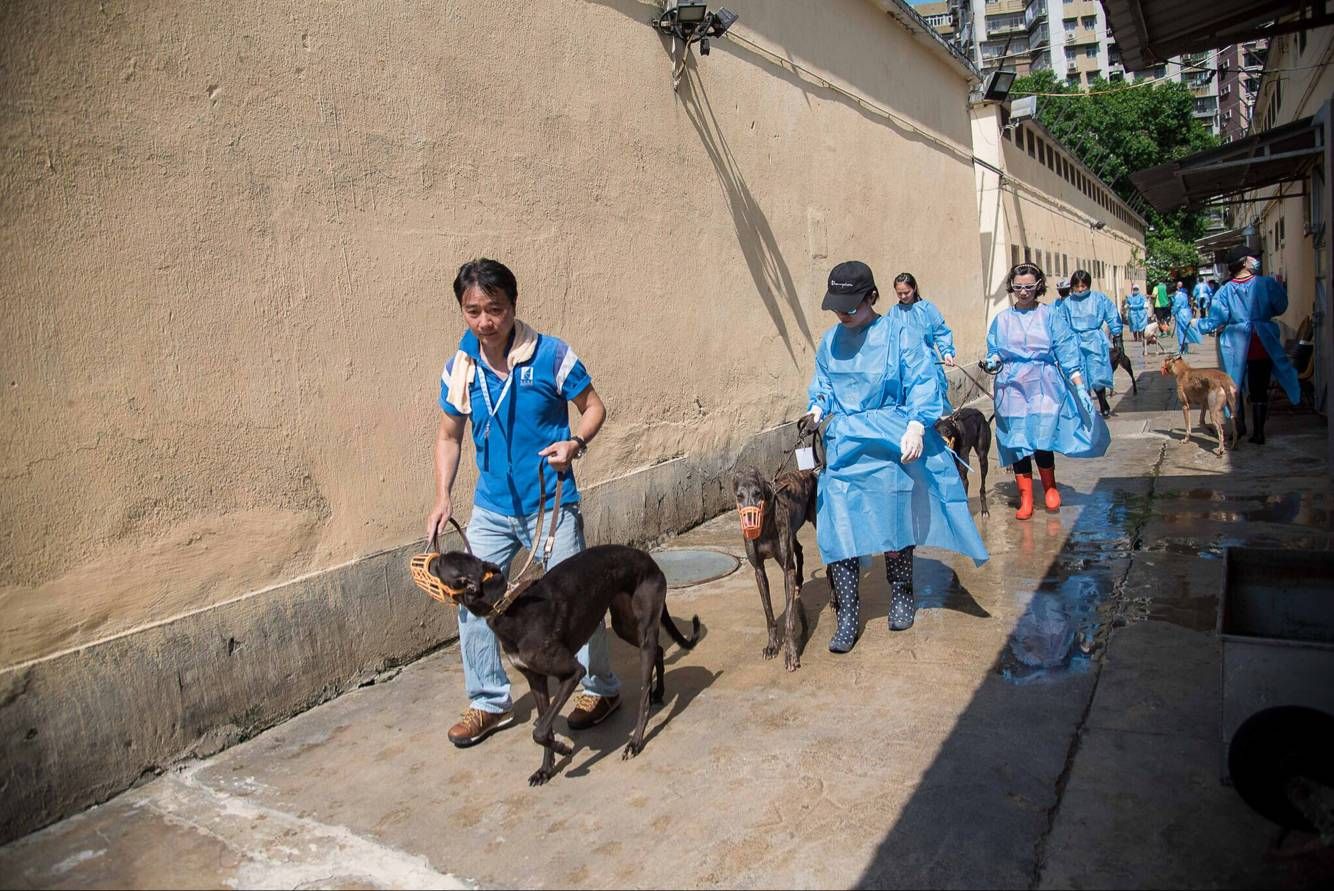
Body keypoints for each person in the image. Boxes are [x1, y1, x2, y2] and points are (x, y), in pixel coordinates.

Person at [427, 258, 621, 747]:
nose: (485, 322)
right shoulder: (460, 368)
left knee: (581, 600)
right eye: (473, 311)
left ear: (513, 305)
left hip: (549, 507)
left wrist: (575, 443)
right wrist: (443, 495)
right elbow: (449, 436)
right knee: (472, 607)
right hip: (491, 509)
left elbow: (594, 407)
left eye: (495, 308)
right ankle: (487, 702)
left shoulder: (552, 355)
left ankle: (600, 688)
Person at [801, 261, 987, 653]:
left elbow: (922, 381)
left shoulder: (898, 335)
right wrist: (818, 408)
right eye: (837, 307)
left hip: (891, 442)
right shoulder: (830, 342)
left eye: (850, 307)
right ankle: (848, 612)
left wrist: (918, 425)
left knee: (893, 521)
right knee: (839, 526)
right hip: (847, 445)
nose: (842, 314)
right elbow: (824, 385)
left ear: (871, 297)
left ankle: (902, 593)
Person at [981, 263, 1110, 521]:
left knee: (1042, 435)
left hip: (1044, 383)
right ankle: (1026, 497)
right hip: (1012, 387)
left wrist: (1079, 384)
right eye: (1018, 287)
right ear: (1012, 287)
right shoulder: (1003, 319)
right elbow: (994, 349)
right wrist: (992, 360)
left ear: (1038, 286)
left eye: (1029, 287)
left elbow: (1066, 350)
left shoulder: (1051, 316)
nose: (1023, 292)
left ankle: (1050, 487)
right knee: (1017, 441)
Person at [1199, 245, 1301, 445]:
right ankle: (1259, 433)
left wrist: (1199, 326)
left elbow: (1216, 319)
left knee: (1233, 387)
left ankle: (1239, 427)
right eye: (1253, 257)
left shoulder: (1224, 291)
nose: (1255, 260)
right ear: (1245, 262)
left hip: (1234, 345)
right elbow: (1280, 306)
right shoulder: (1267, 284)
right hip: (1260, 343)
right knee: (1259, 389)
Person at [1054, 270, 1123, 418]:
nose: (1080, 290)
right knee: (1079, 375)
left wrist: (1117, 335)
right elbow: (1060, 324)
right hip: (1075, 342)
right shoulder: (1067, 304)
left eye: (1083, 286)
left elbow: (1111, 314)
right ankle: (1085, 405)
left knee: (1097, 373)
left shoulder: (1099, 299)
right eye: (1077, 286)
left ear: (1088, 285)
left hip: (1095, 341)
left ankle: (1102, 400)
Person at [891, 272, 957, 412]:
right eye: (899, 293)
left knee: (934, 403)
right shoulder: (894, 312)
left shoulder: (926, 309)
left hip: (927, 365)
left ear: (914, 288)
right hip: (904, 368)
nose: (903, 297)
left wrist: (947, 353)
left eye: (906, 292)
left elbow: (940, 331)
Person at [1172, 279, 1201, 355]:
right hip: (1187, 314)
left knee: (1181, 332)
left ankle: (1181, 349)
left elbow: (1176, 306)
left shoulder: (1179, 296)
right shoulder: (1185, 295)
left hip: (1181, 314)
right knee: (1186, 331)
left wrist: (1173, 312)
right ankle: (1186, 349)